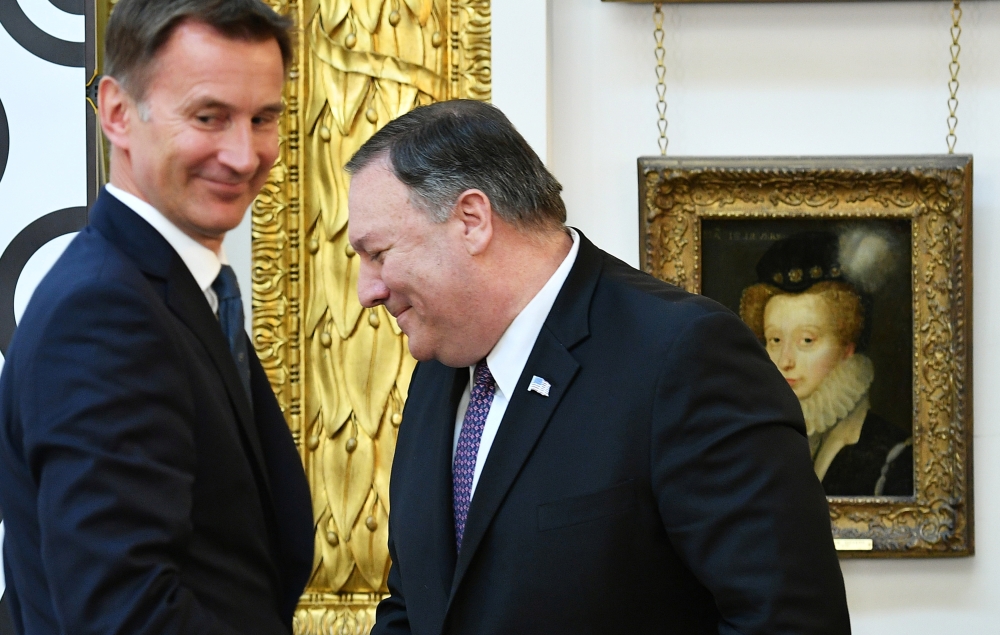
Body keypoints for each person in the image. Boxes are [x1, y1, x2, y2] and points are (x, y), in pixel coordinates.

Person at [345, 100, 850, 634]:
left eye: (378, 253)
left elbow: (787, 621)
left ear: (472, 220)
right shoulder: (440, 368)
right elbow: (417, 604)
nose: (367, 292)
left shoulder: (683, 356)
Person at [0, 1, 313, 633]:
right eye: (209, 117)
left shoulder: (176, 292)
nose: (244, 154)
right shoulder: (104, 314)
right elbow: (127, 615)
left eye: (263, 119)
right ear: (117, 112)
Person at [739, 230, 913, 496]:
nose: (785, 361)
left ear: (847, 346)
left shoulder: (894, 457)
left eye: (806, 340)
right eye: (774, 339)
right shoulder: (752, 444)